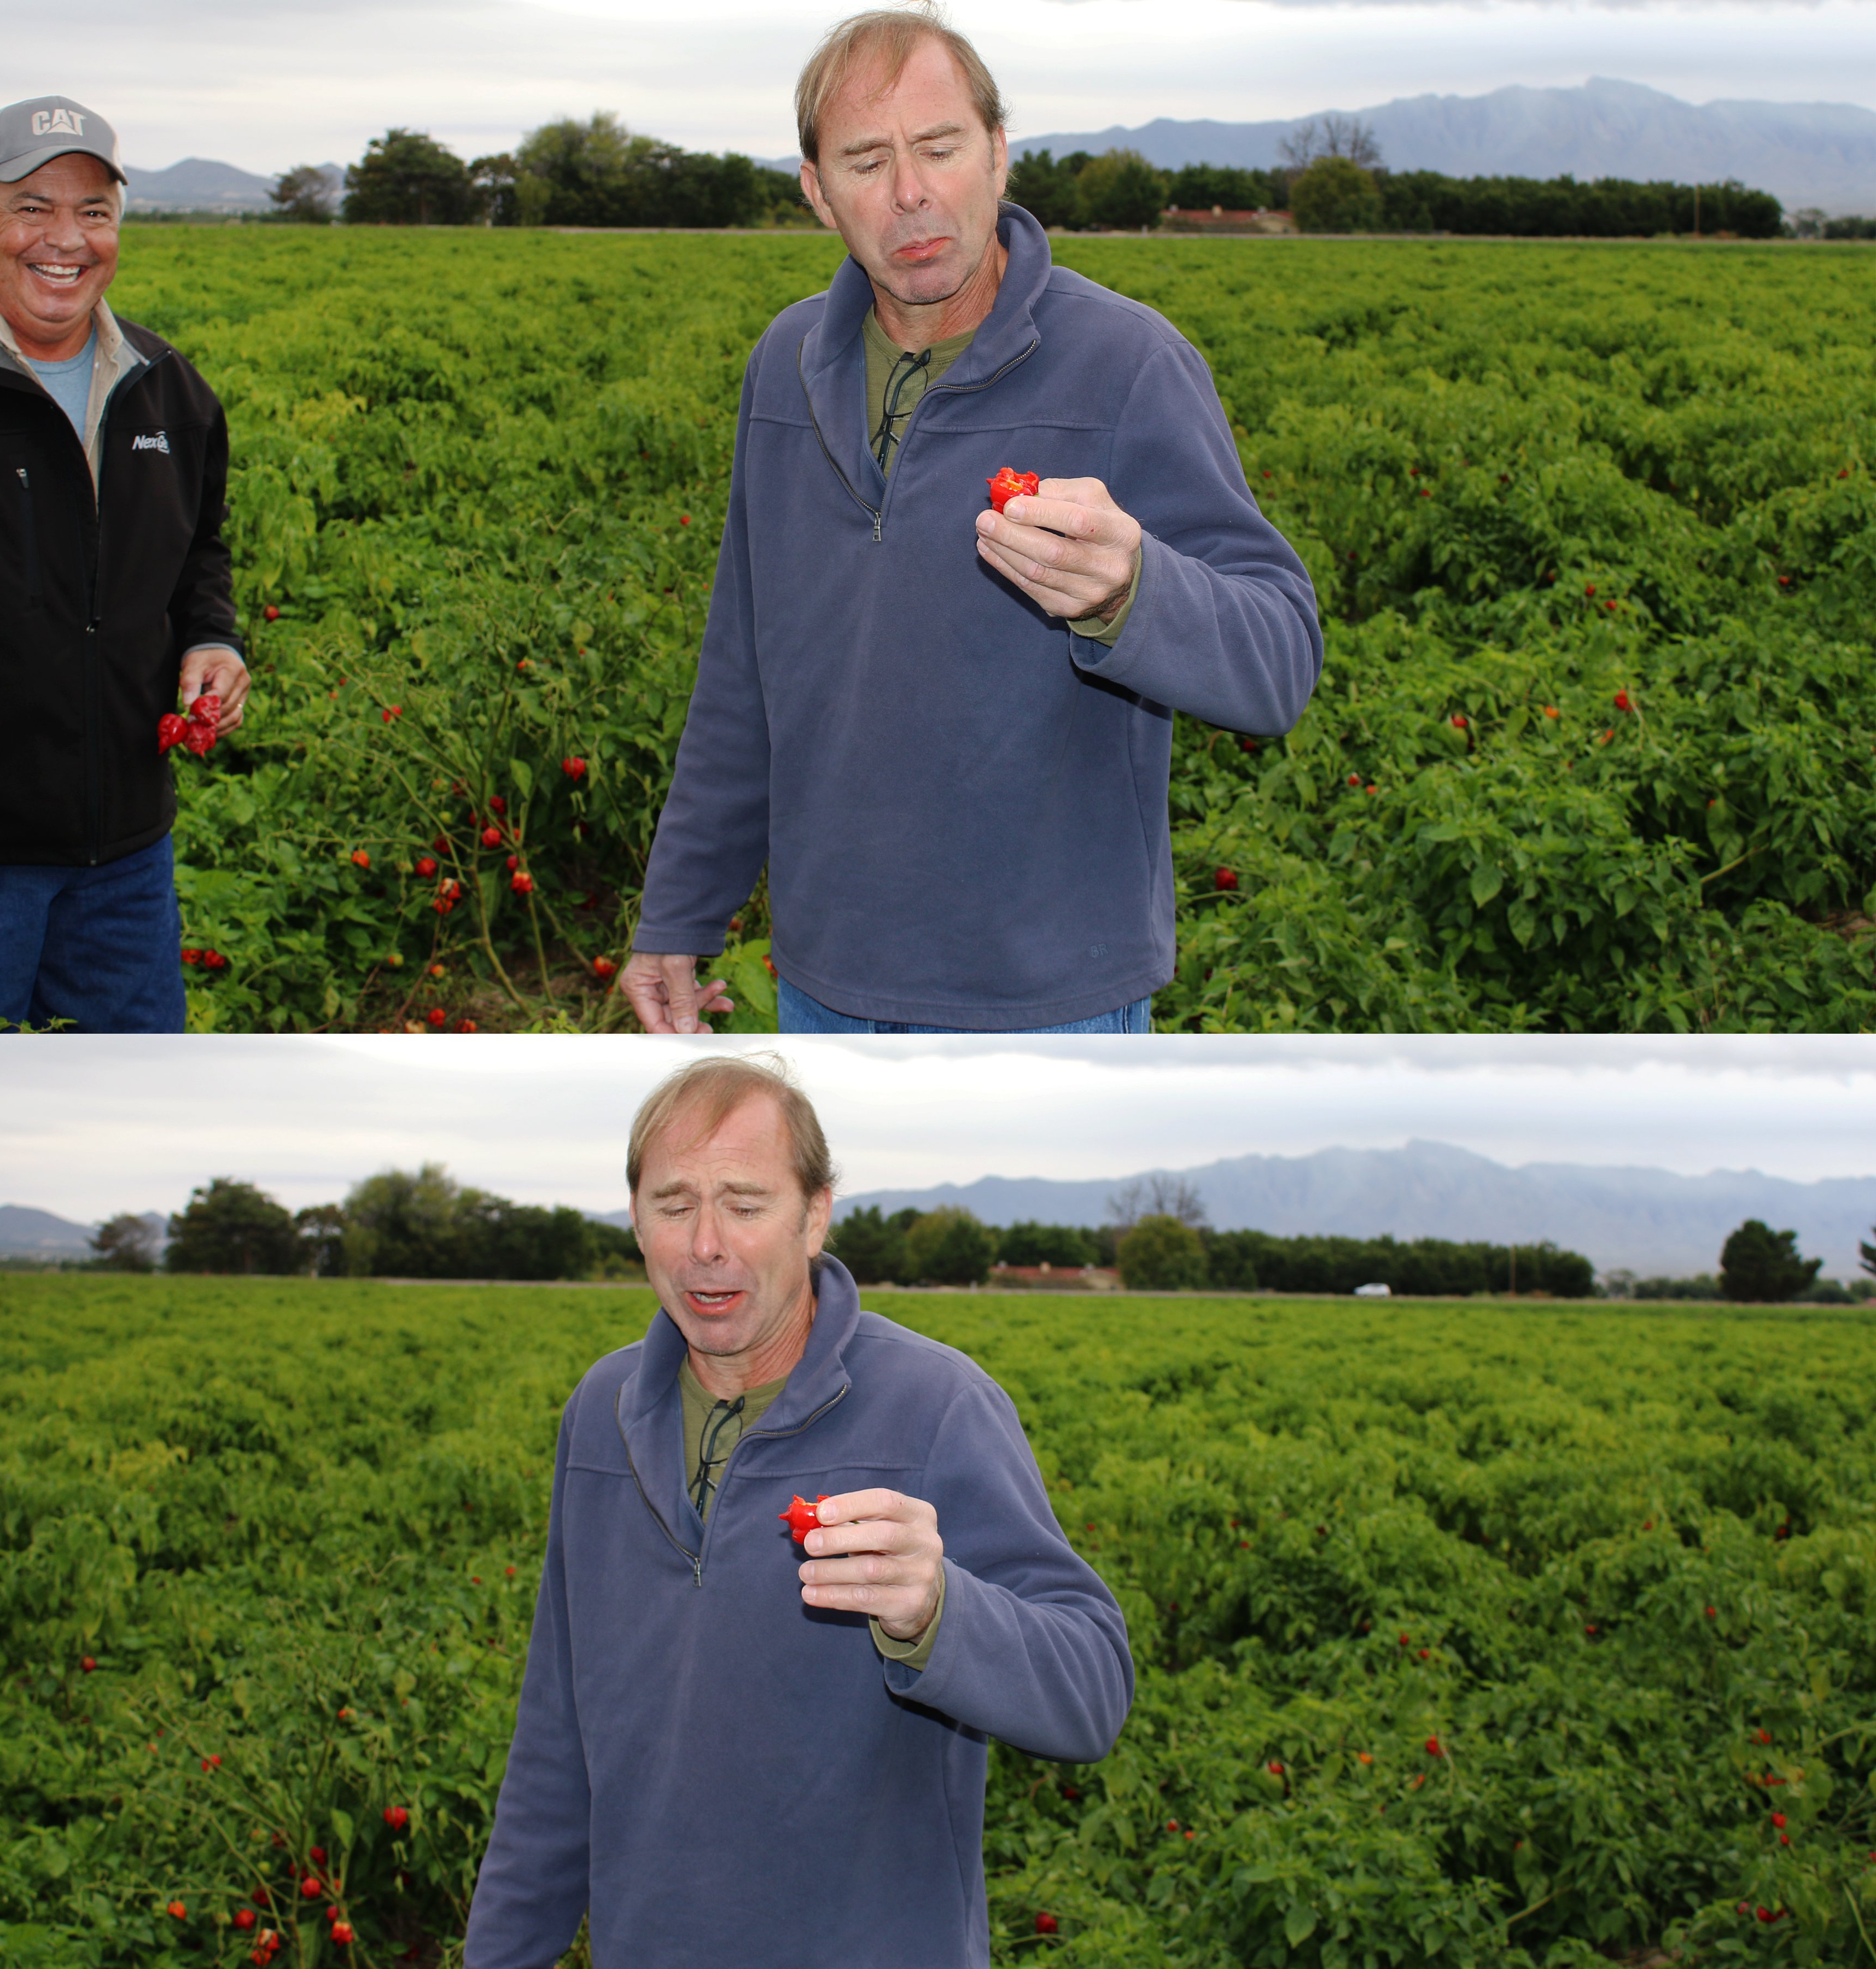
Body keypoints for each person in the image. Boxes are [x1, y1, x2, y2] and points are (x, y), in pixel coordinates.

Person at [620, 4, 1321, 1037]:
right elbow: (744, 666)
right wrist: (682, 905)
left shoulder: (1127, 366)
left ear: (998, 155)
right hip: (824, 980)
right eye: (865, 161)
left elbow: (1281, 660)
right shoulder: (785, 367)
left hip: (1047, 1000)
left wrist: (1135, 593)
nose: (910, 194)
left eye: (940, 148)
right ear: (817, 193)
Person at [464, 1055, 1133, 1969]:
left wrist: (940, 1613)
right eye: (673, 1205)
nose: (706, 1244)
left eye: (744, 1204)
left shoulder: (935, 1408)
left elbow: (1092, 1690)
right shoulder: (602, 1413)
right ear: (634, 1220)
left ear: (814, 1216)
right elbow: (555, 1739)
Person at [0, 96, 247, 1031]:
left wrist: (213, 639)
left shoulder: (167, 386)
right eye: (33, 207)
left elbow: (198, 555)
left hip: (127, 861)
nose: (67, 239)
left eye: (94, 212)